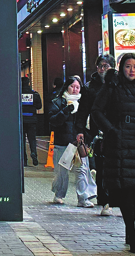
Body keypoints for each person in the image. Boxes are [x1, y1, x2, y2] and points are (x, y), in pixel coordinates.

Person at [92, 54, 135, 254]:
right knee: (125, 188)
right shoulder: (111, 86)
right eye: (128, 66)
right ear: (121, 68)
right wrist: (110, 130)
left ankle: (130, 227)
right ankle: (132, 232)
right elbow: (96, 111)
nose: (132, 70)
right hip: (117, 143)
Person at [75, 54, 116, 216]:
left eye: (106, 66)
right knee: (100, 165)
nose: (102, 69)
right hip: (97, 132)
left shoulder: (119, 83)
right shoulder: (90, 87)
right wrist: (80, 130)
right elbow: (83, 111)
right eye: (100, 66)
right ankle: (104, 198)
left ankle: (113, 198)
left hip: (116, 131)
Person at [48, 77, 97, 206]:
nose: (75, 89)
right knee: (62, 172)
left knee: (82, 170)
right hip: (63, 142)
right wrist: (67, 110)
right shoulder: (58, 102)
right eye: (72, 86)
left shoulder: (84, 103)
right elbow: (53, 121)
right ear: (66, 87)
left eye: (77, 87)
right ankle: (59, 194)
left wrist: (87, 137)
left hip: (79, 143)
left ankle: (83, 198)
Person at [21, 76, 42, 166]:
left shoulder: (18, 94)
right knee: (32, 139)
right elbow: (39, 106)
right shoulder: (35, 94)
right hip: (32, 120)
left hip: (21, 120)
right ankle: (34, 153)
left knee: (21, 141)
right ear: (29, 83)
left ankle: (24, 160)